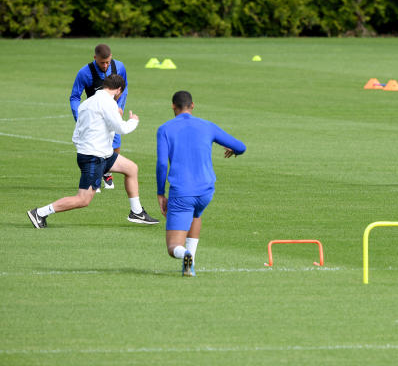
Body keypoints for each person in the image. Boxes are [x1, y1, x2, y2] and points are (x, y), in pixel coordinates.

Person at [29, 74, 159, 228]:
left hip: (101, 154)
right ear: (119, 90)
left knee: (131, 168)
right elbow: (121, 128)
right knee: (83, 199)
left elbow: (79, 131)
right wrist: (133, 121)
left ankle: (137, 212)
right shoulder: (108, 103)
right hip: (94, 157)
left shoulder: (87, 103)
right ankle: (40, 213)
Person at [156, 90, 246, 277]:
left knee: (173, 246)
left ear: (173, 106)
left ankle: (185, 255)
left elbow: (163, 163)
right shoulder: (208, 126)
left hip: (182, 192)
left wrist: (160, 192)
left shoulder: (165, 129)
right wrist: (232, 150)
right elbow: (240, 147)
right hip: (206, 191)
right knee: (195, 214)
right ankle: (190, 265)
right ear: (193, 105)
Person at [69, 43, 128, 190]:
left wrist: (119, 107)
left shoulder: (119, 67)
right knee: (93, 145)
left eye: (108, 62)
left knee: (116, 139)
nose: (106, 65)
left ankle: (106, 171)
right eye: (102, 63)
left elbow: (124, 88)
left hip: (111, 112)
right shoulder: (84, 72)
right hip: (93, 116)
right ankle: (95, 177)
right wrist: (79, 116)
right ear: (95, 58)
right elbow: (75, 97)